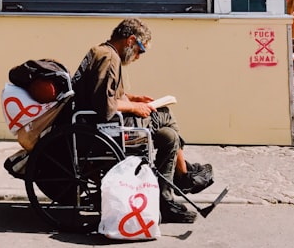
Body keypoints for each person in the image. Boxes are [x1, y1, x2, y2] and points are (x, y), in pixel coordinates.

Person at [71, 19, 213, 223]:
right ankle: (184, 176)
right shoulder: (109, 58)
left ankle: (165, 200)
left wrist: (134, 98)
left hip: (98, 124)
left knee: (168, 137)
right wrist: (134, 107)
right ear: (130, 40)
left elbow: (105, 93)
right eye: (140, 50)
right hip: (103, 129)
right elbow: (104, 105)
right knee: (163, 113)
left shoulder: (102, 52)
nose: (138, 57)